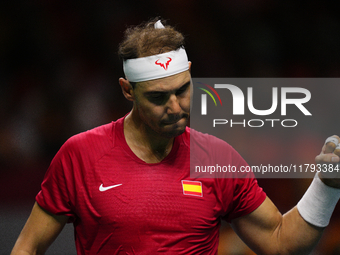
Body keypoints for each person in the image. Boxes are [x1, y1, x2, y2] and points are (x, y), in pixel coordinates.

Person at [11, 18, 340, 255]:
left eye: (183, 90)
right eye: (158, 97)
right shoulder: (80, 154)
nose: (176, 107)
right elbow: (28, 246)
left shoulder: (218, 157)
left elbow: (281, 242)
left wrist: (326, 188)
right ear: (128, 90)